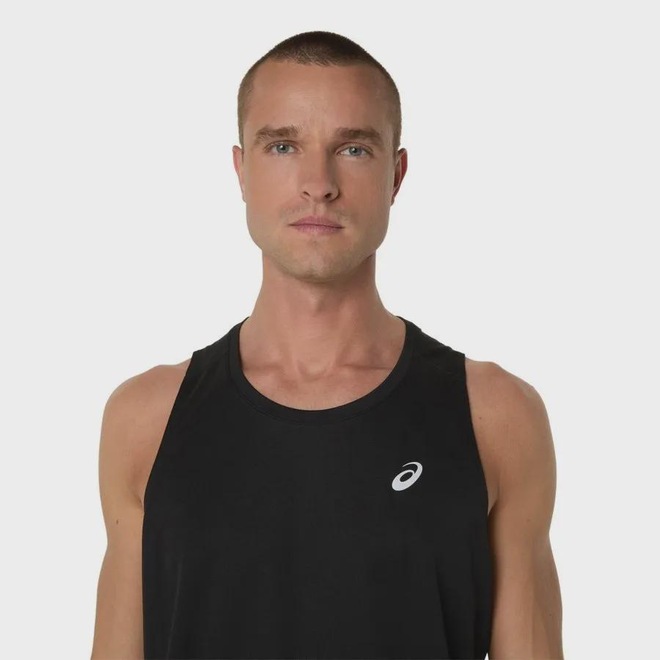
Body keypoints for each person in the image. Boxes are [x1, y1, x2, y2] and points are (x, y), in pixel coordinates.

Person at [90, 30, 564, 659]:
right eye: (283, 146)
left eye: (354, 149)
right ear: (242, 171)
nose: (318, 183)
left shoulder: (496, 417)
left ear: (396, 175)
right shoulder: (146, 419)